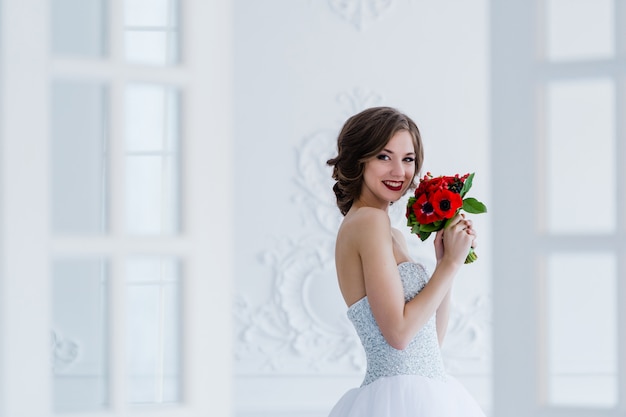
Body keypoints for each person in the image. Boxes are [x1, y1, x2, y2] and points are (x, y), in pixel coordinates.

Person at [326, 106, 486, 416]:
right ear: (359, 159)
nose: (399, 172)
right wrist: (451, 265)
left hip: (424, 389)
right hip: (398, 399)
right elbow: (398, 335)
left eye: (408, 159)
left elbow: (428, 343)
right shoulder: (368, 222)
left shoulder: (390, 232)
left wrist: (445, 264)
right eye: (384, 157)